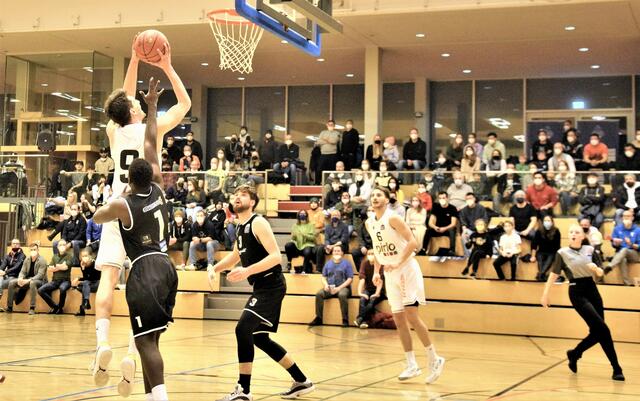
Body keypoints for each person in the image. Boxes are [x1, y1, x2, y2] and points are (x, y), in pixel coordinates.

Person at [94, 39, 190, 390]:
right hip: (144, 208)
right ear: (135, 111)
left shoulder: (113, 129)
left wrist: (134, 56)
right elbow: (185, 104)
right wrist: (165, 66)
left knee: (107, 277)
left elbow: (123, 95)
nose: (136, 101)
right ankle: (132, 352)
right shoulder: (152, 129)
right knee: (141, 283)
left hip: (117, 203)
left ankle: (101, 343)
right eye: (135, 103)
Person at [211, 184, 315, 400]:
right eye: (236, 194)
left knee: (242, 329)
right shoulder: (240, 227)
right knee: (260, 338)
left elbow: (276, 256)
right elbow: (235, 256)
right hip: (263, 286)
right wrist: (214, 268)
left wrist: (247, 271)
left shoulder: (258, 222)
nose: (238, 197)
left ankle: (244, 390)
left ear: (253, 202)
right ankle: (301, 381)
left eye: (244, 195)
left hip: (272, 285)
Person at [93, 156, 177, 401]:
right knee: (149, 341)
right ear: (151, 177)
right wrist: (151, 115)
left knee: (145, 343)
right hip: (167, 267)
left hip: (145, 269)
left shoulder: (124, 204)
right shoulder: (159, 190)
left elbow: (98, 217)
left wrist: (116, 195)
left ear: (129, 179)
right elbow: (151, 143)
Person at [366, 186, 445, 383]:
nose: (375, 198)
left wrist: (397, 263)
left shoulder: (393, 218)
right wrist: (377, 271)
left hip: (406, 269)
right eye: (373, 195)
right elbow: (377, 249)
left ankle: (434, 358)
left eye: (379, 195)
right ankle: (411, 364)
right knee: (399, 319)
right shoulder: (369, 222)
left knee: (412, 316)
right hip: (390, 272)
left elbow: (413, 243)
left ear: (387, 199)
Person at [540, 224, 624, 381]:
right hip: (576, 291)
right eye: (571, 232)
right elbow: (553, 274)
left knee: (598, 331)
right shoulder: (562, 253)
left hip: (592, 289)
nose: (573, 234)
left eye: (576, 232)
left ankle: (575, 353)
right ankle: (617, 368)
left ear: (582, 236)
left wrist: (596, 270)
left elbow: (601, 273)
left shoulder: (590, 250)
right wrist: (545, 294)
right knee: (603, 330)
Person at [309, 246, 353, 327]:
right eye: (335, 251)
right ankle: (319, 318)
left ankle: (345, 320)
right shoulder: (328, 263)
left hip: (343, 288)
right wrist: (326, 285)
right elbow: (323, 277)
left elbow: (350, 279)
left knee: (342, 295)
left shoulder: (347, 263)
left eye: (338, 251)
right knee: (319, 294)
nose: (336, 252)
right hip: (330, 288)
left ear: (342, 253)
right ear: (332, 253)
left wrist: (339, 288)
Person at [3, 243, 47, 314]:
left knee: (32, 283)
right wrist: (20, 278)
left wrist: (28, 280)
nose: (33, 251)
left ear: (38, 250)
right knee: (12, 282)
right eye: (31, 250)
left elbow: (40, 275)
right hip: (27, 280)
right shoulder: (27, 259)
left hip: (40, 281)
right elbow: (22, 271)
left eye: (34, 249)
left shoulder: (42, 260)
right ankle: (9, 307)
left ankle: (32, 308)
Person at [604, 209, 640, 286]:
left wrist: (630, 244)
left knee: (625, 249)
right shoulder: (617, 229)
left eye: (628, 216)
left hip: (635, 254)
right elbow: (614, 245)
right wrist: (615, 243)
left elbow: (639, 247)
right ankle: (627, 283)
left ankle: (610, 266)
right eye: (624, 216)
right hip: (620, 254)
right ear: (622, 218)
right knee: (622, 259)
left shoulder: (638, 230)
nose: (626, 218)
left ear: (632, 218)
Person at [38, 239, 72, 314]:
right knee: (40, 290)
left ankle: (60, 308)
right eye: (60, 245)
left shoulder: (69, 256)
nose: (62, 246)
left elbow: (65, 267)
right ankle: (54, 306)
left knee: (62, 288)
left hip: (65, 281)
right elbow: (50, 269)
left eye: (64, 244)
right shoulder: (54, 257)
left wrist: (56, 267)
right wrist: (60, 266)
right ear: (57, 247)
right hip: (55, 281)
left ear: (66, 246)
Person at [354, 249, 385, 329]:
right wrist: (360, 293)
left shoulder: (380, 264)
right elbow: (362, 279)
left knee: (371, 301)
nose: (370, 255)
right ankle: (364, 321)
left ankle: (360, 318)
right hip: (368, 289)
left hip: (379, 290)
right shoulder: (364, 263)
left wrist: (377, 293)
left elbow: (380, 281)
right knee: (362, 299)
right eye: (369, 254)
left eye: (372, 254)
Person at [424, 192, 458, 257]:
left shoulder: (452, 208)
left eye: (443, 198)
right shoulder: (436, 207)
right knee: (428, 230)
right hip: (438, 229)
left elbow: (453, 223)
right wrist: (435, 227)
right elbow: (430, 222)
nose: (442, 199)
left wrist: (444, 228)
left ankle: (452, 251)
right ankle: (424, 249)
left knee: (452, 230)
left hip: (447, 229)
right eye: (440, 198)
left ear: (447, 198)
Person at [531, 215, 561, 282]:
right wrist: (533, 256)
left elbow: (558, 245)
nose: (547, 222)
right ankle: (542, 276)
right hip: (541, 252)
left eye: (548, 220)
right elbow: (534, 244)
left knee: (547, 264)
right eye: (545, 221)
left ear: (552, 222)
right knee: (540, 263)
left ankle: (540, 275)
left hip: (552, 253)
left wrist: (558, 257)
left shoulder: (556, 231)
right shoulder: (539, 231)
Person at [459, 193, 488, 257]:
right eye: (467, 199)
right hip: (470, 230)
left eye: (470, 198)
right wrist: (464, 230)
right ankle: (469, 255)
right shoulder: (464, 210)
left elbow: (485, 220)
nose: (469, 200)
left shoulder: (481, 208)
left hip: (480, 229)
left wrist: (480, 230)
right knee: (463, 235)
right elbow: (463, 222)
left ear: (474, 199)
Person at [73, 249, 101, 316]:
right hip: (88, 284)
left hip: (97, 283)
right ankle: (86, 303)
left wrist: (83, 271)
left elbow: (91, 278)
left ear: (90, 256)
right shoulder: (82, 264)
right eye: (83, 256)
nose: (84, 257)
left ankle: (83, 308)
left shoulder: (94, 263)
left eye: (86, 256)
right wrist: (83, 269)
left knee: (85, 285)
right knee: (81, 286)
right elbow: (86, 278)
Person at [315, 119, 340, 184]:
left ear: (334, 126)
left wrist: (324, 139)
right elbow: (318, 142)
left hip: (333, 154)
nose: (330, 126)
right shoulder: (322, 132)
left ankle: (331, 183)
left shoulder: (337, 133)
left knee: (332, 170)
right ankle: (318, 183)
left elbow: (334, 141)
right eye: (329, 125)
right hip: (323, 154)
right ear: (327, 125)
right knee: (319, 169)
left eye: (332, 125)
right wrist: (329, 140)